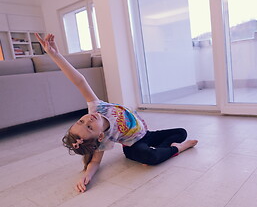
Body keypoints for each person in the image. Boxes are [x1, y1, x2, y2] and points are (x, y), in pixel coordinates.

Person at [35, 33, 198, 193]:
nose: (88, 120)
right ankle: (177, 149)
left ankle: (161, 150)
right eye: (90, 127)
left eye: (81, 122)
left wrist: (55, 55)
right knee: (152, 158)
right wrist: (87, 176)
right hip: (134, 145)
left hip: (146, 134)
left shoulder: (96, 107)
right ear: (99, 136)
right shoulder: (104, 139)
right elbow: (95, 162)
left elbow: (79, 81)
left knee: (181, 132)